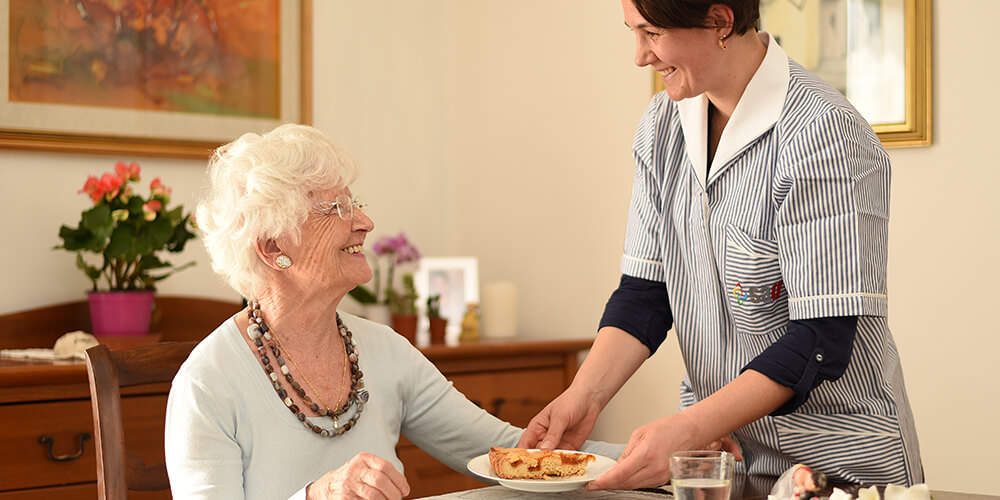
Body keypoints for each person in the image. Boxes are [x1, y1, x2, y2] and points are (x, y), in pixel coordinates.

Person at [518, 0, 923, 491]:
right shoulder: (662, 127)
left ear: (720, 22)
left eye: (652, 33)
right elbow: (645, 295)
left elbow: (820, 339)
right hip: (722, 459)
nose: (640, 56)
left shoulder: (823, 134)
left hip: (837, 464)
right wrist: (583, 396)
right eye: (634, 32)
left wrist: (691, 426)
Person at [165, 124, 620, 499]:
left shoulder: (384, 351)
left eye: (355, 203)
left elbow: (508, 452)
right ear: (273, 247)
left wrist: (661, 452)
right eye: (337, 208)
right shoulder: (207, 384)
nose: (365, 221)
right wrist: (316, 496)